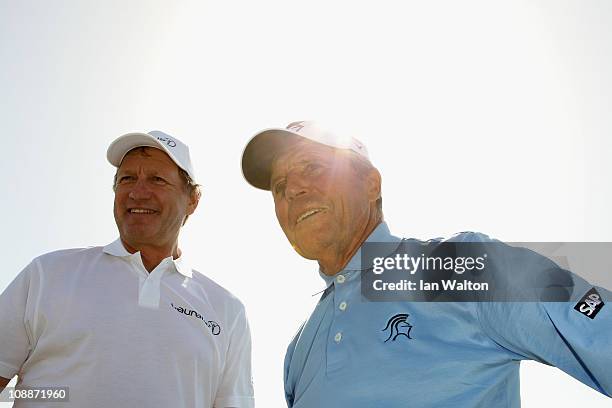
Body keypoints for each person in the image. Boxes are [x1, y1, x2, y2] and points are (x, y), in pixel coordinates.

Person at [241, 120, 611, 407]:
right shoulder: (298, 349)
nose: (292, 190)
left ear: (371, 184)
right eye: (279, 186)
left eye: (312, 167)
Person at [0, 131, 254, 407]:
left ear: (192, 200)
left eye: (157, 179)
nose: (137, 193)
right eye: (127, 179)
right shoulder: (47, 274)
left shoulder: (227, 311)